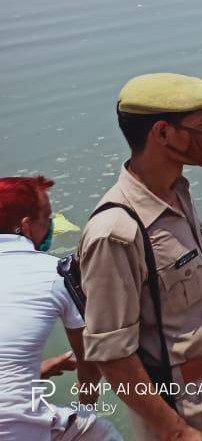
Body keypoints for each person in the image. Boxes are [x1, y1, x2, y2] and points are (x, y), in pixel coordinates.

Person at [78, 73, 202, 441]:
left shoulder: (176, 193)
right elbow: (113, 356)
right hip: (178, 403)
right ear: (163, 133)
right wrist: (176, 430)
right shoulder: (116, 231)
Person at [0, 176, 120, 441]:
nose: (51, 225)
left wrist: (41, 369)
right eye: (47, 217)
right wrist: (87, 406)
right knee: (99, 432)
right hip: (17, 431)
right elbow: (90, 364)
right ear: (26, 227)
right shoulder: (55, 273)